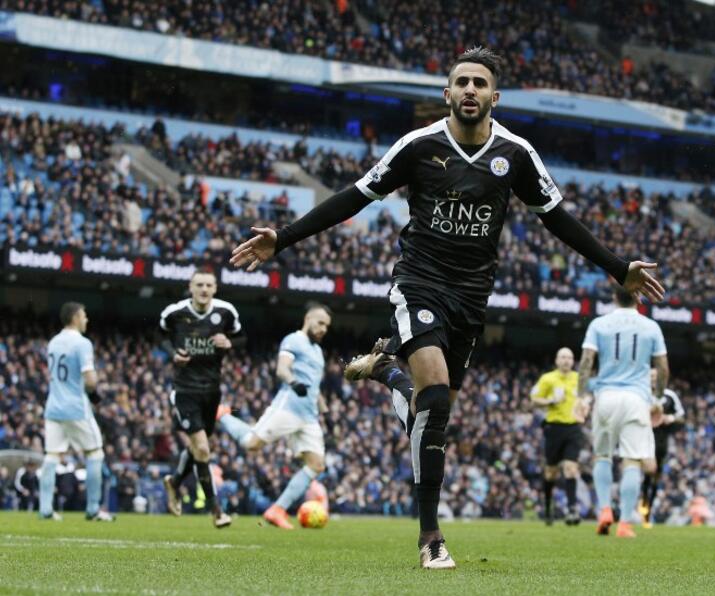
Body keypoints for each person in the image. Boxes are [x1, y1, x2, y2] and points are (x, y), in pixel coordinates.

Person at [229, 47, 664, 568]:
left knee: (432, 412)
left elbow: (558, 219)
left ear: (494, 96)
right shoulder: (418, 146)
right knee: (434, 398)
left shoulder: (517, 154)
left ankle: (390, 374)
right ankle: (430, 536)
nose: (471, 90)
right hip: (418, 284)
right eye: (462, 82)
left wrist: (619, 268)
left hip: (471, 298)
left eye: (480, 83)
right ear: (448, 93)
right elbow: (355, 196)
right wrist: (284, 237)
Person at [216, 304, 331, 530]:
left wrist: (325, 411)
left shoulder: (318, 352)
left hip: (309, 416)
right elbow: (282, 369)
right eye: (320, 322)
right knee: (252, 444)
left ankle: (277, 510)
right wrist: (293, 382)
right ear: (307, 318)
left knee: (316, 465)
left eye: (326, 325)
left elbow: (315, 387)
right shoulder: (293, 340)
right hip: (288, 406)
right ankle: (223, 415)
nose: (323, 328)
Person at [577, 287, 670, 538]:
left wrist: (581, 396)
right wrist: (658, 399)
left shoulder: (599, 323)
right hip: (636, 398)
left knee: (602, 456)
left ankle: (605, 509)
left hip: (605, 396)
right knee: (632, 461)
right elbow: (662, 367)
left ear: (613, 297)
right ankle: (625, 523)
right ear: (638, 298)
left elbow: (586, 362)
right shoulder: (651, 327)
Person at [159, 269, 244, 528]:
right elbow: (159, 336)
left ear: (215, 288)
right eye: (199, 285)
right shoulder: (174, 313)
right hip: (184, 390)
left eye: (209, 285)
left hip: (212, 392)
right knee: (203, 449)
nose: (204, 289)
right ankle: (216, 511)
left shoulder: (226, 312)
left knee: (199, 447)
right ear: (191, 287)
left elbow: (242, 338)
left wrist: (229, 343)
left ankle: (174, 482)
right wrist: (173, 352)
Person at [40, 302, 113, 521]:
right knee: (95, 453)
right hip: (75, 408)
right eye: (84, 316)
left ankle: (45, 509)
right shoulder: (82, 344)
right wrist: (95, 391)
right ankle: (92, 509)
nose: (86, 320)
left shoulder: (53, 342)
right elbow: (90, 380)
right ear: (75, 318)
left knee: (52, 456)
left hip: (53, 407)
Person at [530, 348, 582, 526]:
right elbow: (534, 399)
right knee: (551, 472)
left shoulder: (578, 378)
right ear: (557, 360)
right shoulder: (548, 379)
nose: (566, 360)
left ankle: (572, 509)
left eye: (569, 357)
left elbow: (587, 397)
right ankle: (547, 507)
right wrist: (550, 400)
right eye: (563, 357)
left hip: (574, 427)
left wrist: (586, 405)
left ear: (573, 360)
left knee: (571, 468)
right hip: (554, 428)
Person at [639, 370, 684, 528]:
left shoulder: (669, 396)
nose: (653, 380)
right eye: (650, 377)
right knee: (643, 472)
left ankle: (647, 510)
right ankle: (640, 505)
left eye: (656, 377)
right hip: (640, 438)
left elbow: (681, 416)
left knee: (655, 475)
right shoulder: (640, 394)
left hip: (660, 441)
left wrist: (670, 418)